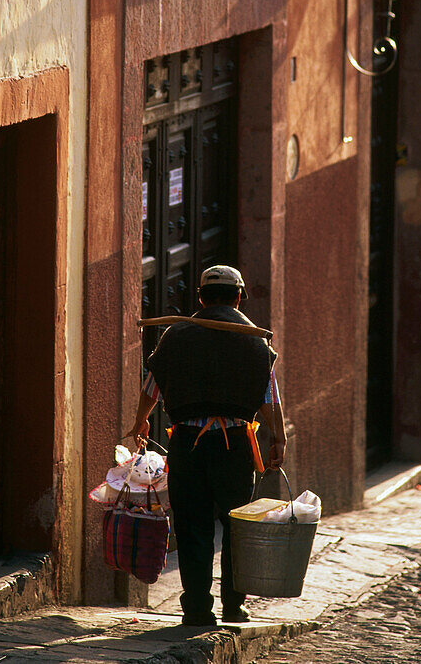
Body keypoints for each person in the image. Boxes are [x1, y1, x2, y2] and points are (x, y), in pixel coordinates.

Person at [127, 264, 286, 627]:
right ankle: (234, 606)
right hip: (235, 445)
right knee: (236, 526)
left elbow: (152, 387)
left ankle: (196, 609)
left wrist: (139, 422)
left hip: (187, 444)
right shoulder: (255, 341)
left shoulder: (176, 336)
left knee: (192, 525)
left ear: (200, 297)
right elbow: (269, 398)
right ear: (239, 296)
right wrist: (279, 439)